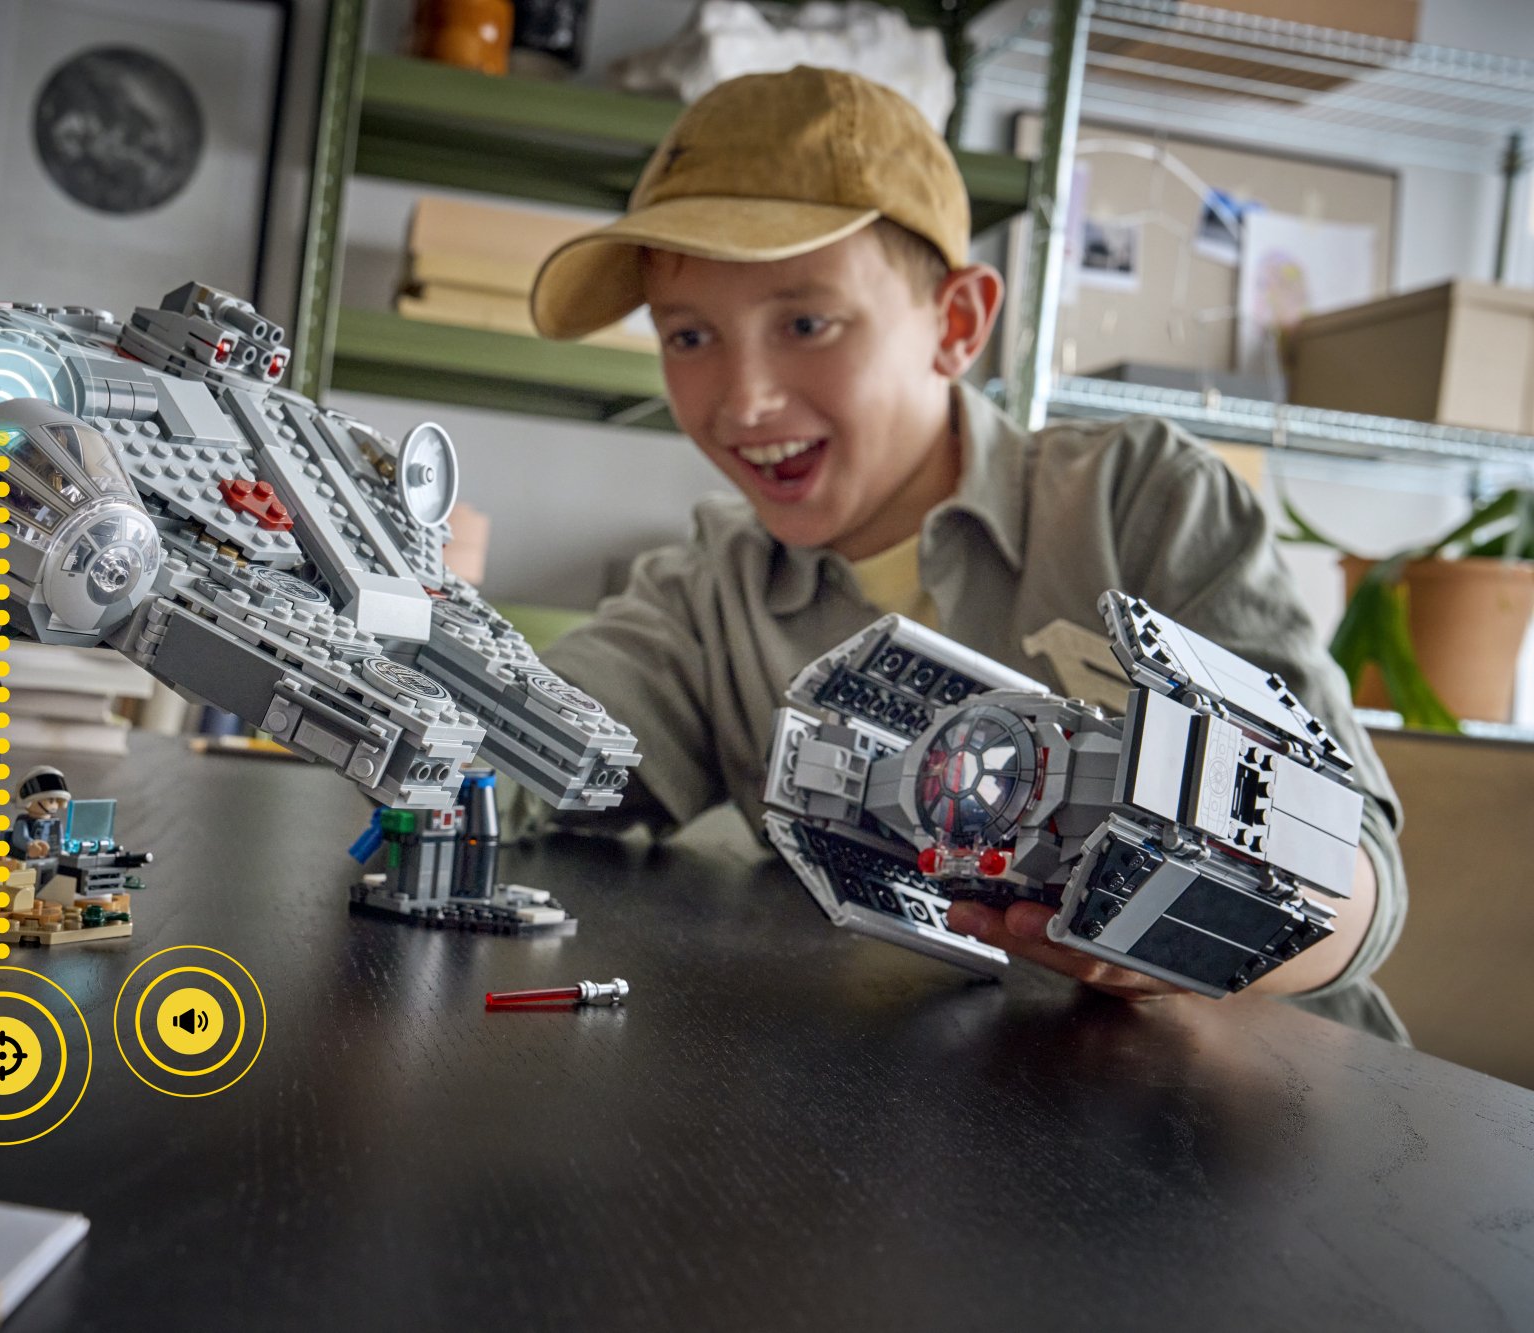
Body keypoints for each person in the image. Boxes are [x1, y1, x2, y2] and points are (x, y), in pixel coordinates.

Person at [519, 66, 1407, 1039]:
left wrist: (1169, 941)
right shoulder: (709, 584)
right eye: (687, 335)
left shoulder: (1141, 501)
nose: (741, 401)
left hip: (1267, 1107)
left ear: (955, 323)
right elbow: (524, 746)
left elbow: (1356, 876)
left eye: (805, 322)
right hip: (928, 1105)